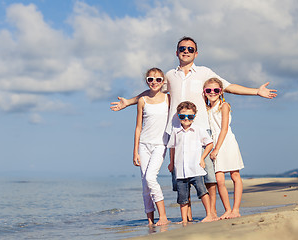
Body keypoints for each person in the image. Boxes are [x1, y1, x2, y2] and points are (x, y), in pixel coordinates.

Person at [110, 36, 277, 218]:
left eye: (190, 49)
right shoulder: (170, 75)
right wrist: (129, 102)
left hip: (201, 129)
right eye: (183, 48)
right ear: (177, 52)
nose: (186, 51)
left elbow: (228, 87)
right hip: (176, 131)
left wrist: (256, 91)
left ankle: (211, 213)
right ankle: (186, 218)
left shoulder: (204, 72)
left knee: (209, 176)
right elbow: (152, 92)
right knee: (181, 176)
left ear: (196, 53)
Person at [133, 67, 170, 226]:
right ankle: (150, 221)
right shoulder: (142, 100)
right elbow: (138, 127)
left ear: (163, 82)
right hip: (143, 145)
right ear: (146, 81)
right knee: (144, 183)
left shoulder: (168, 98)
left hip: (160, 144)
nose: (154, 82)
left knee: (150, 178)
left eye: (158, 80)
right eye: (150, 79)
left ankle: (163, 217)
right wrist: (135, 151)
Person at [167, 101, 215, 223]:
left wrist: (202, 158)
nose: (186, 119)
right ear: (178, 116)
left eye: (190, 116)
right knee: (182, 197)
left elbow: (209, 144)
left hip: (196, 168)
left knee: (202, 191)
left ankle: (209, 214)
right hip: (180, 171)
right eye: (183, 116)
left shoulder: (198, 130)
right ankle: (184, 220)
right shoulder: (175, 131)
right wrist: (171, 163)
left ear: (194, 116)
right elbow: (172, 148)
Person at [203, 78, 244, 219]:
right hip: (214, 142)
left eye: (216, 90)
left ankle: (236, 210)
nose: (212, 92)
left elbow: (224, 129)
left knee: (235, 175)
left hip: (226, 143)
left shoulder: (224, 105)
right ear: (204, 92)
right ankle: (227, 210)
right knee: (220, 179)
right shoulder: (206, 109)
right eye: (208, 90)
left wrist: (216, 149)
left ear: (221, 91)